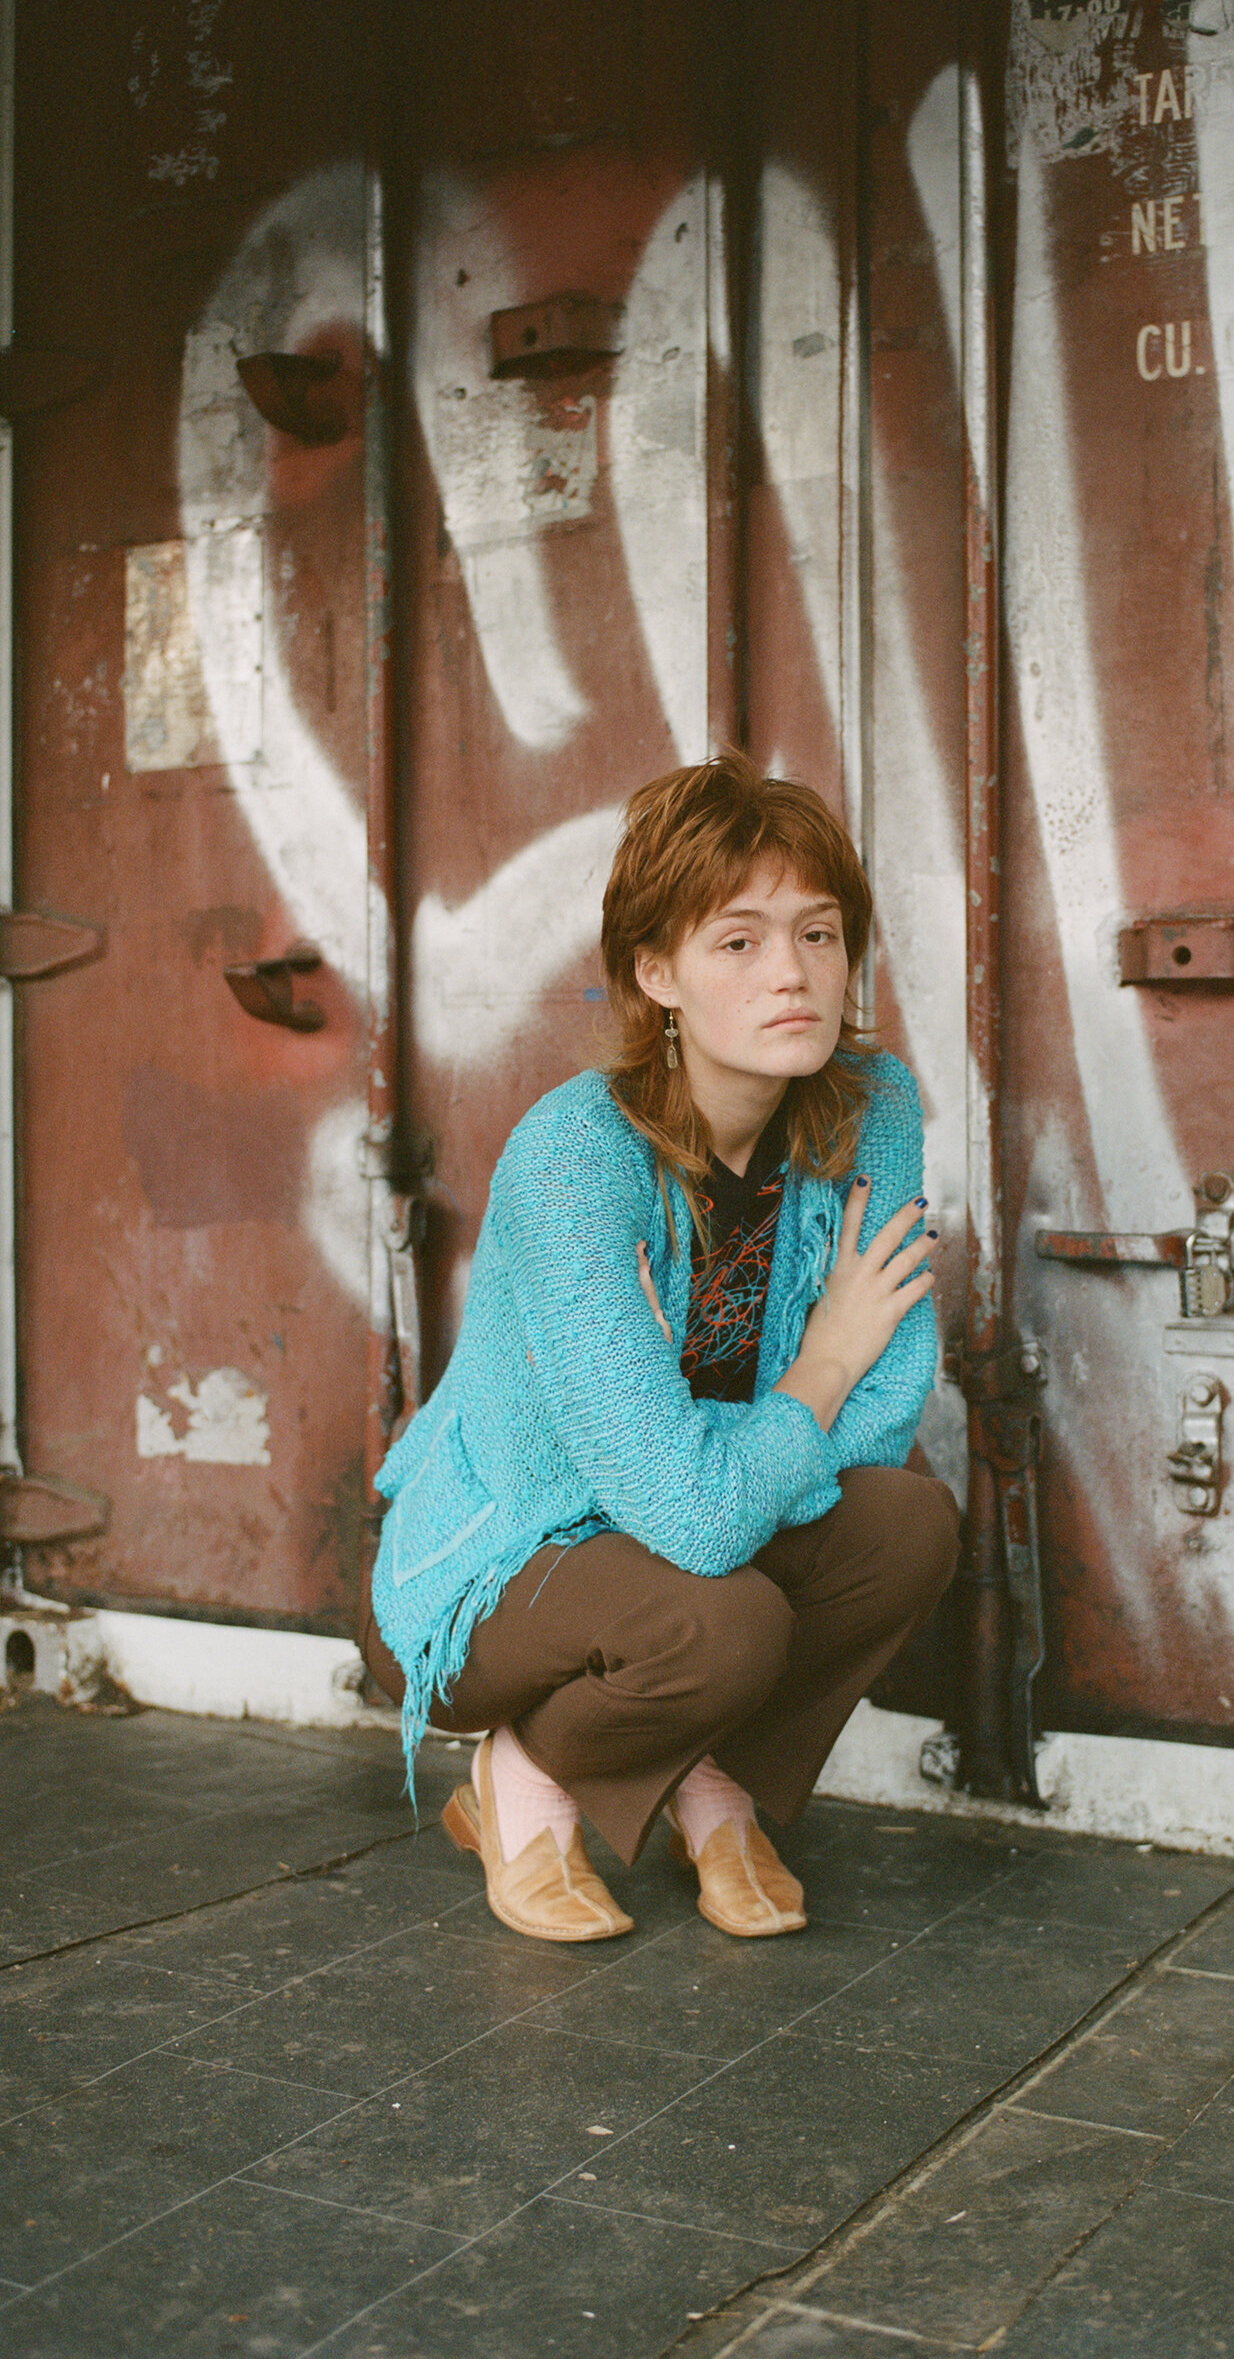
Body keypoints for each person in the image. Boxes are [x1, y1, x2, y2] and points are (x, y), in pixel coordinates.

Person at [360, 752, 959, 1943]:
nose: (792, 972)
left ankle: (711, 1773)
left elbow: (889, 1400)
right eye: (738, 941)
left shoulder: (873, 1107)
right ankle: (524, 1775)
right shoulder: (574, 1159)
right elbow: (707, 1504)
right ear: (657, 972)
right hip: (507, 1562)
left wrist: (708, 1471)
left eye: (819, 933)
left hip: (690, 1529)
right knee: (725, 1620)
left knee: (908, 1528)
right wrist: (818, 1363)